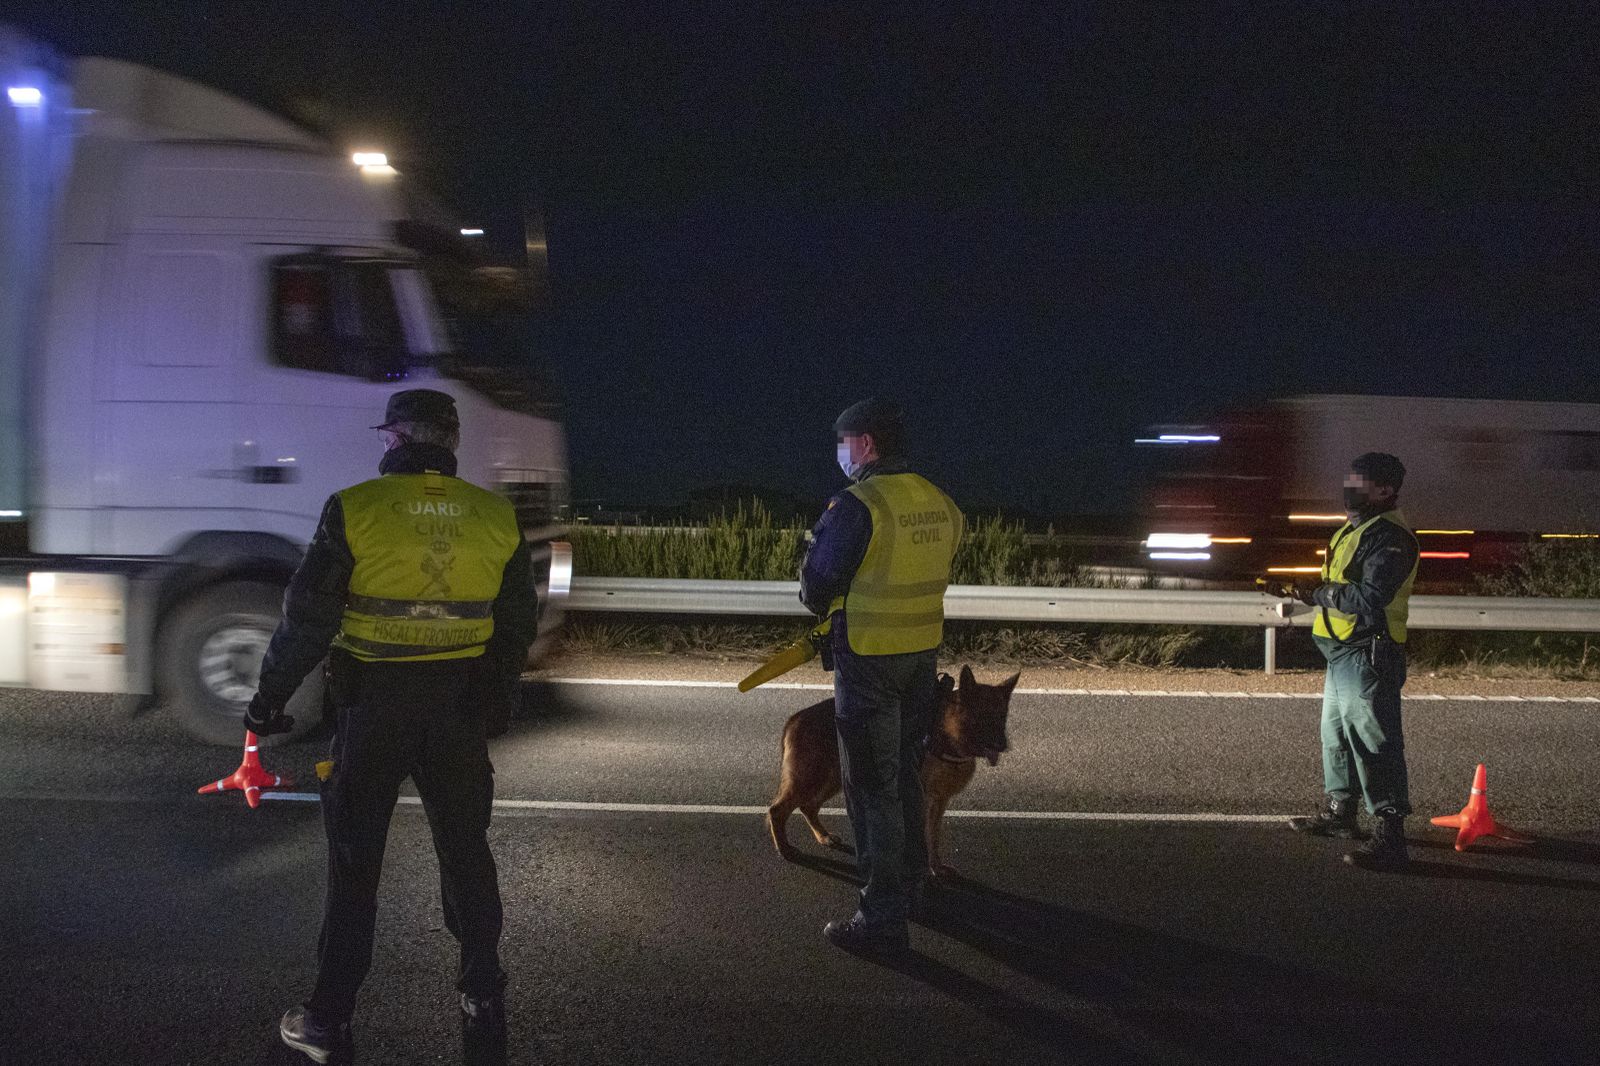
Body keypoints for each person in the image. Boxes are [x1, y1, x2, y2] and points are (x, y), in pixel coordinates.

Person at [245, 389, 539, 1063]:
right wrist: (494, 697)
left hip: (374, 709)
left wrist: (268, 699)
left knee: (356, 865)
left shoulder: (357, 507)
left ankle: (329, 1019)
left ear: (397, 440)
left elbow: (308, 617)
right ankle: (482, 996)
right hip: (459, 712)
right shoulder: (495, 516)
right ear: (451, 443)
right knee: (466, 854)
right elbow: (515, 623)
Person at [800, 397, 965, 950]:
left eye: (842, 443)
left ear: (866, 444)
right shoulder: (942, 503)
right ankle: (916, 889)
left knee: (872, 787)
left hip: (868, 658)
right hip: (922, 657)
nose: (839, 454)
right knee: (906, 777)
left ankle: (882, 919)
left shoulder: (857, 504)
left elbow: (815, 586)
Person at [1286, 452, 1420, 871]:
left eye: (1360, 481)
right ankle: (1341, 813)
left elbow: (1369, 598)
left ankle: (1391, 836)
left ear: (1385, 489)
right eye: (1351, 478)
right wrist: (1308, 589)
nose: (1351, 487)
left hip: (1369, 651)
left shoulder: (1391, 537)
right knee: (1336, 737)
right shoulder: (1354, 529)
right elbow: (1342, 584)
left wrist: (1317, 594)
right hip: (1342, 650)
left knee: (1375, 742)